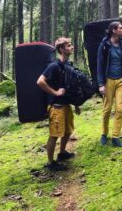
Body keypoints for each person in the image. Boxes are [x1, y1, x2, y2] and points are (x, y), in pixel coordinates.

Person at [37, 37, 80, 171]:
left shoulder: (67, 66)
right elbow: (40, 81)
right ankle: (50, 163)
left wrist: (76, 104)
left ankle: (62, 153)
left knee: (67, 131)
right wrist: (55, 92)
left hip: (66, 104)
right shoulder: (54, 66)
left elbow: (70, 86)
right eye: (68, 45)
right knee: (54, 134)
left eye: (71, 45)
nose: (71, 47)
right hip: (56, 106)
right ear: (61, 49)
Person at [97, 21, 122, 147]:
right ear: (114, 30)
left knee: (120, 109)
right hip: (108, 81)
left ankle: (115, 136)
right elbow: (100, 65)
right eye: (121, 28)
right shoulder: (104, 45)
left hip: (121, 81)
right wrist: (101, 83)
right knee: (106, 110)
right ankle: (104, 134)